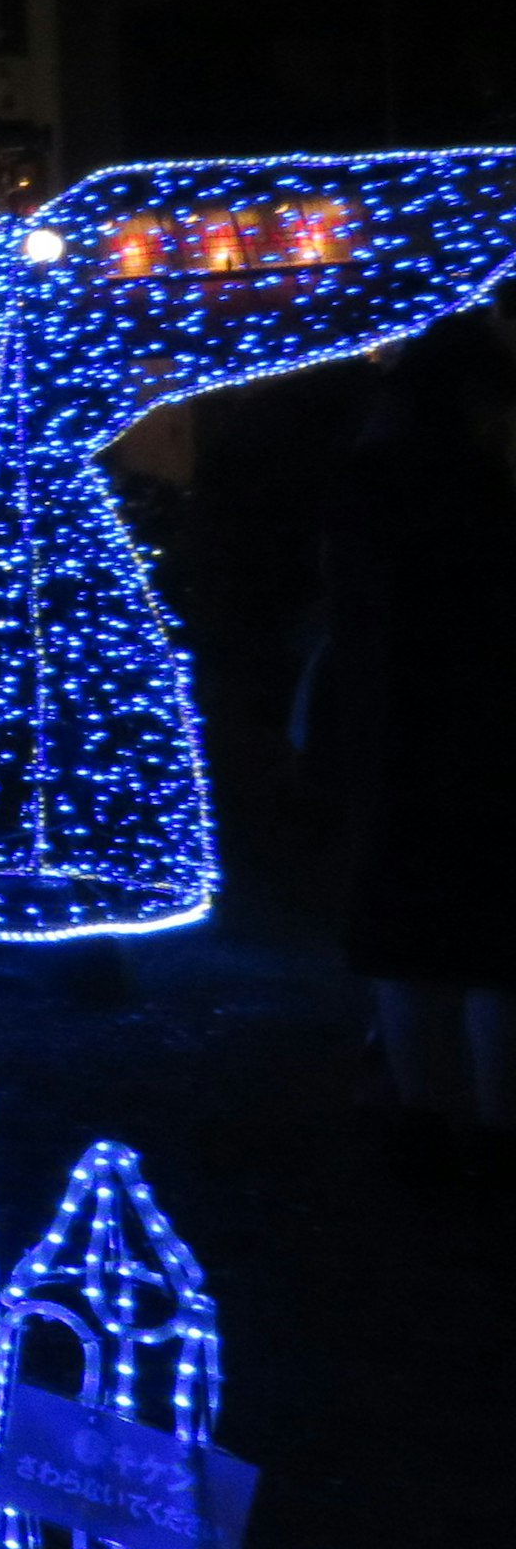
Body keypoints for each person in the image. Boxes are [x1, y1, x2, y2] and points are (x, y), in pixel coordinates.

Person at [312, 298, 516, 1179]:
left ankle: (426, 1120)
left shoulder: (374, 479)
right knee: (494, 951)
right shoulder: (486, 482)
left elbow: (349, 616)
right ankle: (489, 1128)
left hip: (397, 729)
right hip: (481, 724)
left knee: (417, 939)